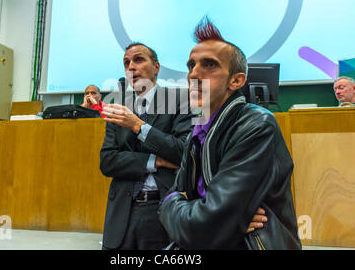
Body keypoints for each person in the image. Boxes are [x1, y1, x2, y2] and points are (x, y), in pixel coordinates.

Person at [99, 42, 267, 250]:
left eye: (139, 60)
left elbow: (183, 152)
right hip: (121, 211)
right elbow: (107, 161)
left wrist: (137, 125)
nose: (131, 67)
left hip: (162, 208)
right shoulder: (119, 107)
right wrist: (155, 160)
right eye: (126, 62)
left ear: (156, 67)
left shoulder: (184, 99)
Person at [158, 19, 302, 250]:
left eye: (209, 65)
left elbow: (205, 223)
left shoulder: (257, 123)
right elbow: (174, 199)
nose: (193, 74)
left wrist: (179, 207)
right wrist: (180, 205)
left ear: (236, 80)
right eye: (191, 65)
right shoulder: (198, 127)